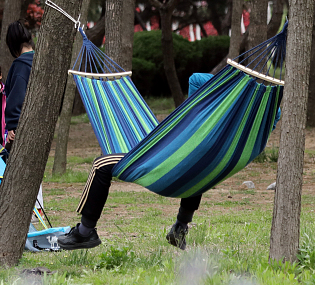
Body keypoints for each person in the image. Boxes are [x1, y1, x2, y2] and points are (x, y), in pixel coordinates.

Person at [57, 72, 213, 251]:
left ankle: (84, 233)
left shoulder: (204, 118)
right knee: (197, 165)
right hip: (182, 163)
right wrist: (232, 84)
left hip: (162, 161)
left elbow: (196, 79)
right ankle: (180, 226)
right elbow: (197, 80)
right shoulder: (220, 129)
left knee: (101, 165)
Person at [3, 21, 34, 150]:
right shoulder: (40, 61)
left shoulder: (20, 65)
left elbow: (17, 96)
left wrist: (12, 125)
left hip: (22, 126)